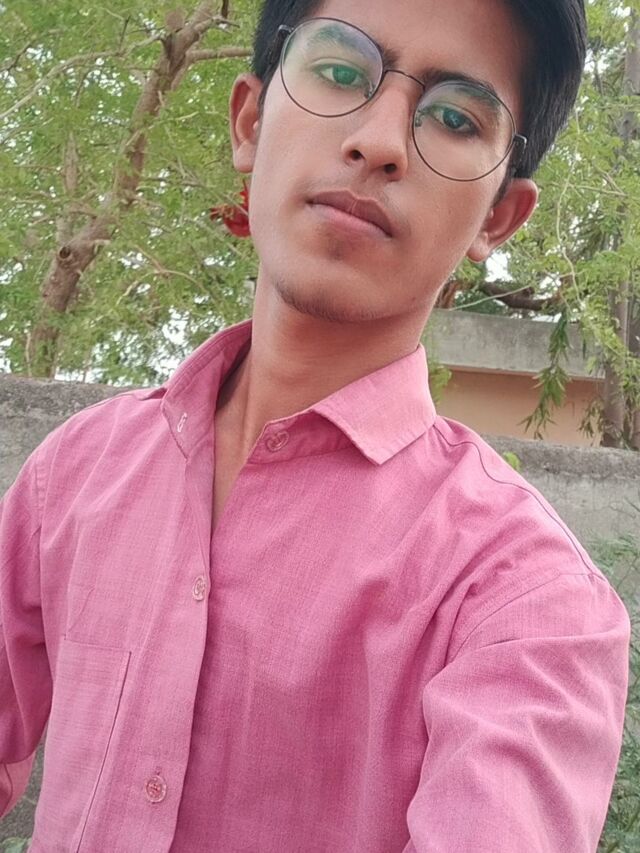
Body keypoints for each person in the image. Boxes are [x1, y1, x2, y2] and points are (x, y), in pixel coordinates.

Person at [0, 0, 631, 850]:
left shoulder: (527, 602)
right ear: (250, 121)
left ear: (498, 217)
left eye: (454, 117)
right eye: (339, 71)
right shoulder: (73, 475)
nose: (379, 141)